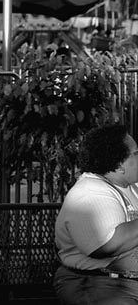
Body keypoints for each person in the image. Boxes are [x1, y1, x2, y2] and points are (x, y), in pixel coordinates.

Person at [54, 124, 138, 303]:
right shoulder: (90, 193)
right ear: (119, 165)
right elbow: (107, 244)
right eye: (136, 154)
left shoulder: (130, 185)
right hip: (99, 284)